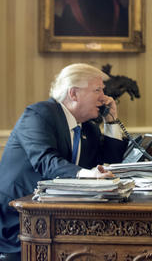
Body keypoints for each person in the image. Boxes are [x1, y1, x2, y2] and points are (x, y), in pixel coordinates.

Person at [0, 63, 128, 260]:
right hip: (17, 221)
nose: (104, 97)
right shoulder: (39, 114)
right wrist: (85, 174)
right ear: (74, 94)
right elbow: (46, 161)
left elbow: (108, 165)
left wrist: (111, 122)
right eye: (97, 90)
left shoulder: (89, 129)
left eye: (103, 90)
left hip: (59, 219)